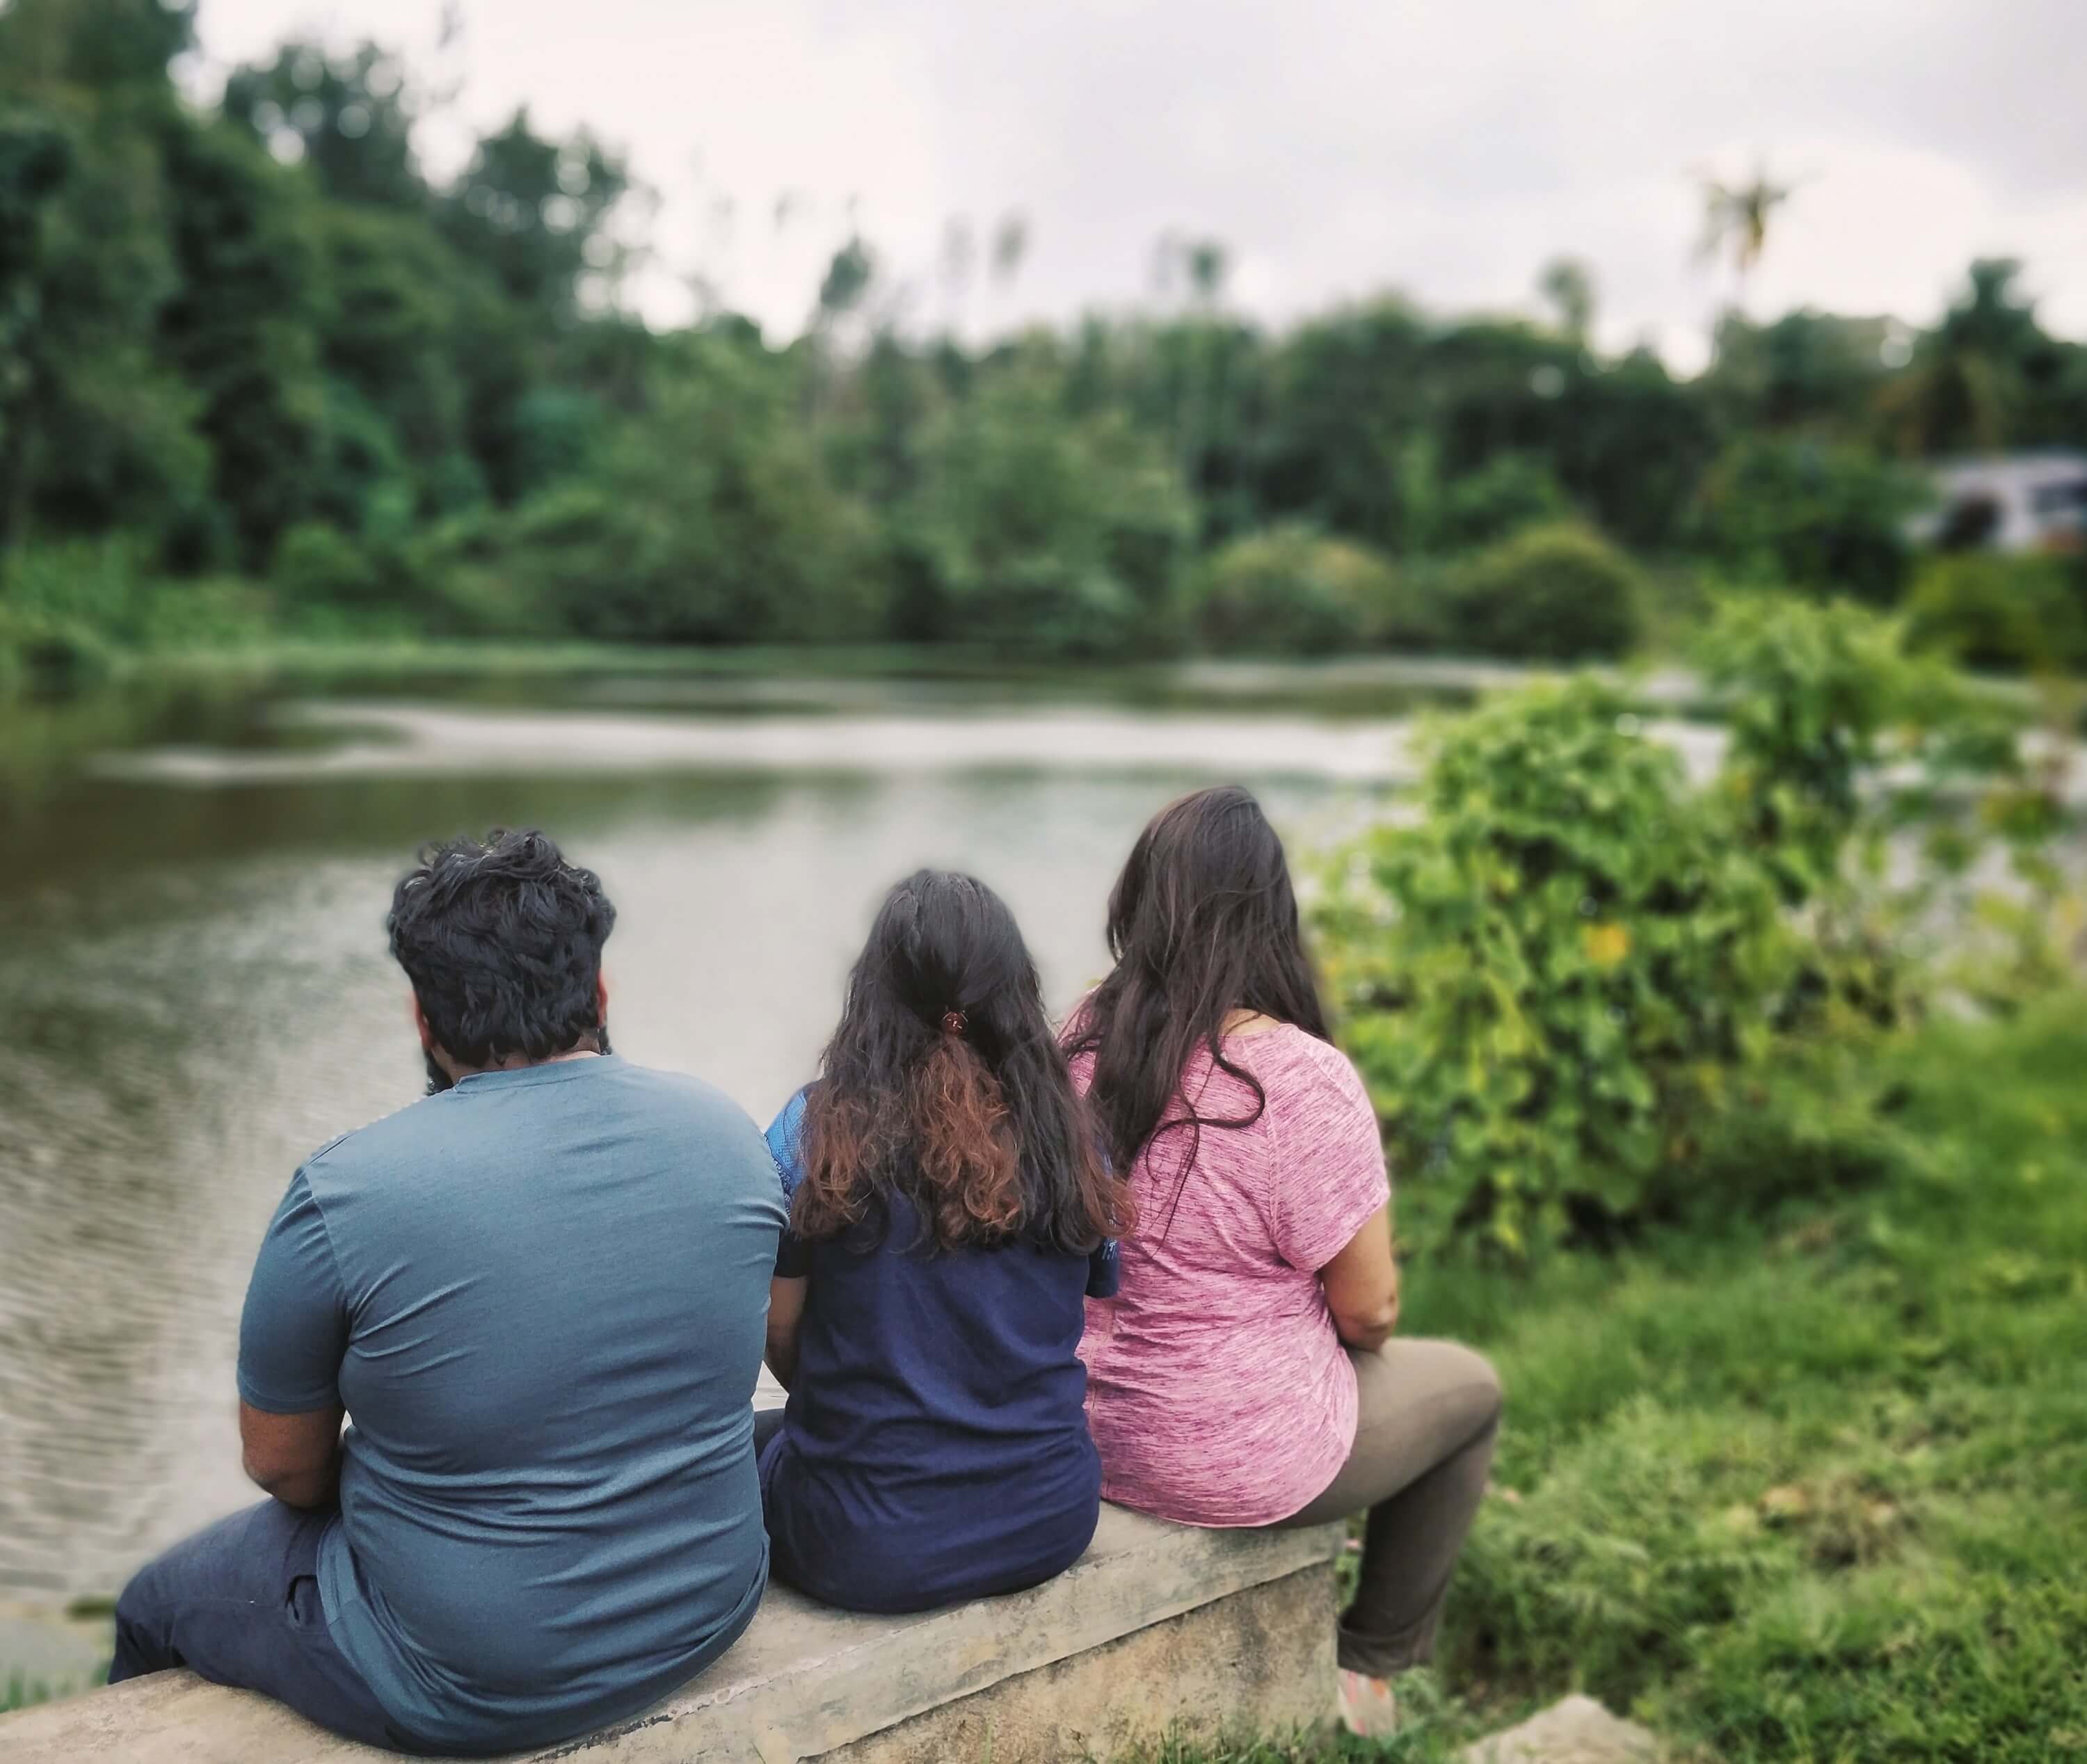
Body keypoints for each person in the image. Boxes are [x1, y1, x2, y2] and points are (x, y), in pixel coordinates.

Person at [109, 830, 784, 1756]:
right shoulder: (732, 1138)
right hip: (709, 1611)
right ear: (599, 994)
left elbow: (282, 1467)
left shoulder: (347, 1193)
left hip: (467, 1680)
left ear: (423, 1020)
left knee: (155, 1605)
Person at [1064, 786, 1503, 1739]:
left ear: (1136, 905)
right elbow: (1370, 1313)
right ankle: (1369, 1670)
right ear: (1270, 913)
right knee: (1472, 1393)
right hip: (1232, 1460)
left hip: (1081, 1427)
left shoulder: (1077, 1045)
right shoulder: (1298, 1076)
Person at [758, 868, 1135, 1614]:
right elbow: (1094, 1295)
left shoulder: (814, 1130)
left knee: (743, 1445)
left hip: (862, 1548)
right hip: (1049, 1518)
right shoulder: (1073, 1135)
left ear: (873, 994)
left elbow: (779, 1328)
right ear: (1015, 994)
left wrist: (867, 1407)